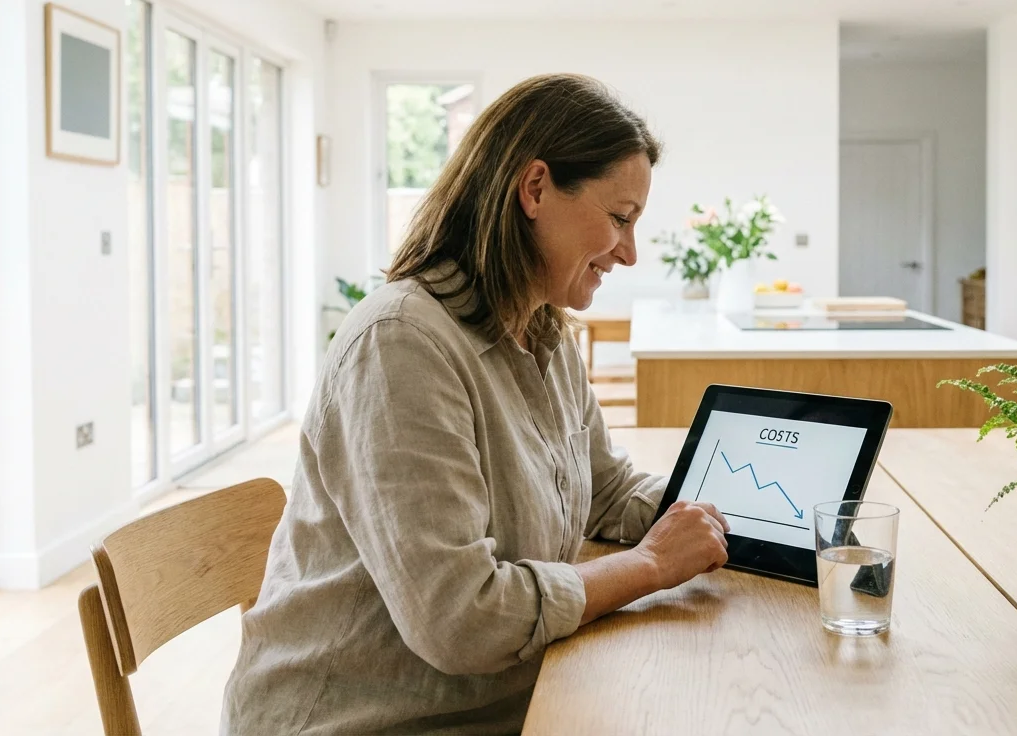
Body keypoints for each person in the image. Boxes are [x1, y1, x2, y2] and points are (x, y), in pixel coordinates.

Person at [221, 73, 730, 735]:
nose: (630, 253)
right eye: (620, 218)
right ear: (536, 188)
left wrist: (735, 521)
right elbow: (461, 620)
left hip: (491, 700)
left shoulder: (541, 330)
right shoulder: (400, 345)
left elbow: (608, 491)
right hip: (362, 720)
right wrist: (652, 564)